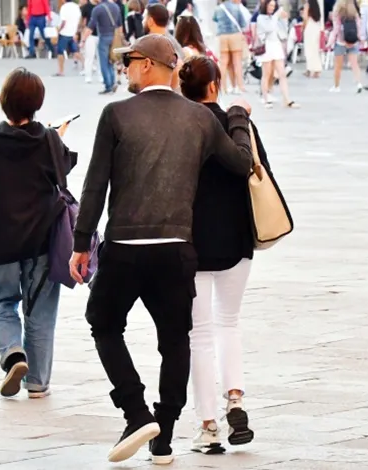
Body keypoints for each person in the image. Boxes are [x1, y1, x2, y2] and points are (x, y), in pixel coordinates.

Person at [69, 34, 253, 465]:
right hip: (176, 250)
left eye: (129, 61)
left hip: (125, 245)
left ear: (149, 65)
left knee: (104, 324)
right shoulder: (201, 120)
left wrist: (81, 244)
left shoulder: (116, 114)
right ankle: (164, 436)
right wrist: (240, 118)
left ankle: (135, 412)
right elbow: (241, 165)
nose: (126, 68)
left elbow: (96, 184)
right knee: (175, 341)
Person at [0, 68, 78, 400]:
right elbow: (64, 175)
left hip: (1, 242)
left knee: (1, 303)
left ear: (4, 102)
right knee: (41, 312)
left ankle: (12, 351)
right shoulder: (48, 140)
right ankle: (37, 383)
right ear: (37, 104)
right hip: (42, 243)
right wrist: (57, 135)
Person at [179, 54, 267, 455]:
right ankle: (235, 397)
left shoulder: (180, 126)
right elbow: (257, 172)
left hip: (192, 240)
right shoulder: (238, 124)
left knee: (199, 335)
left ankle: (208, 424)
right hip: (235, 239)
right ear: (214, 86)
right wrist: (239, 116)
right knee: (229, 322)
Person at [258, 0, 298, 107]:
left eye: (273, 6)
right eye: (270, 5)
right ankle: (266, 98)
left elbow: (283, 32)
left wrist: (284, 19)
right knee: (266, 74)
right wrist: (277, 15)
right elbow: (269, 28)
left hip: (276, 45)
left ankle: (287, 99)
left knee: (282, 73)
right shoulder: (261, 18)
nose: (272, 8)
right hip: (266, 46)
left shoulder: (275, 17)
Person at [81, 0, 122, 94]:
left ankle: (108, 85)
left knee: (103, 62)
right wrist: (120, 38)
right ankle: (112, 82)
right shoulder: (116, 7)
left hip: (104, 36)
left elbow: (91, 26)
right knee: (111, 61)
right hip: (114, 37)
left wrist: (83, 40)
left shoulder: (97, 9)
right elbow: (120, 25)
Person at [144, 4, 184, 89]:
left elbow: (177, 68)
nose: (143, 21)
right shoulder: (171, 41)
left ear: (150, 21)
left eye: (145, 18)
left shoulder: (160, 43)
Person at [328, 0, 363, 92]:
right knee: (354, 64)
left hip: (341, 41)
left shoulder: (337, 12)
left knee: (338, 66)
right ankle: (358, 83)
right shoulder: (354, 12)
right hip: (353, 41)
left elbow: (336, 29)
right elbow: (359, 26)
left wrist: (330, 42)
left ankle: (336, 86)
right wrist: (360, 38)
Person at [213, 0, 246, 94]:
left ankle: (223, 87)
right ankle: (240, 86)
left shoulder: (218, 8)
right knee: (237, 62)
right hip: (235, 35)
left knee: (223, 63)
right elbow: (243, 23)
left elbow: (214, 19)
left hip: (222, 36)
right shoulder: (236, 7)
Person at [55, 0, 82, 76]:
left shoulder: (64, 7)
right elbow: (79, 19)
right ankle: (86, 64)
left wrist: (59, 29)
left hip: (64, 32)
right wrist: (77, 30)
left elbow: (63, 21)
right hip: (73, 31)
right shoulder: (76, 6)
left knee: (60, 51)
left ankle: (61, 70)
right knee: (75, 51)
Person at [81, 0, 101, 83]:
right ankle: (88, 76)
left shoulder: (101, 6)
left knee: (101, 58)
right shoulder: (86, 7)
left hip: (101, 34)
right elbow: (83, 21)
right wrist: (83, 35)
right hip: (90, 35)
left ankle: (101, 76)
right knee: (89, 56)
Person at [302, 0, 322, 78]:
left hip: (309, 26)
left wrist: (303, 27)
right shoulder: (316, 5)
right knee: (315, 49)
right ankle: (316, 69)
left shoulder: (307, 4)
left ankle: (310, 69)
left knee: (309, 49)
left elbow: (305, 17)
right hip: (316, 26)